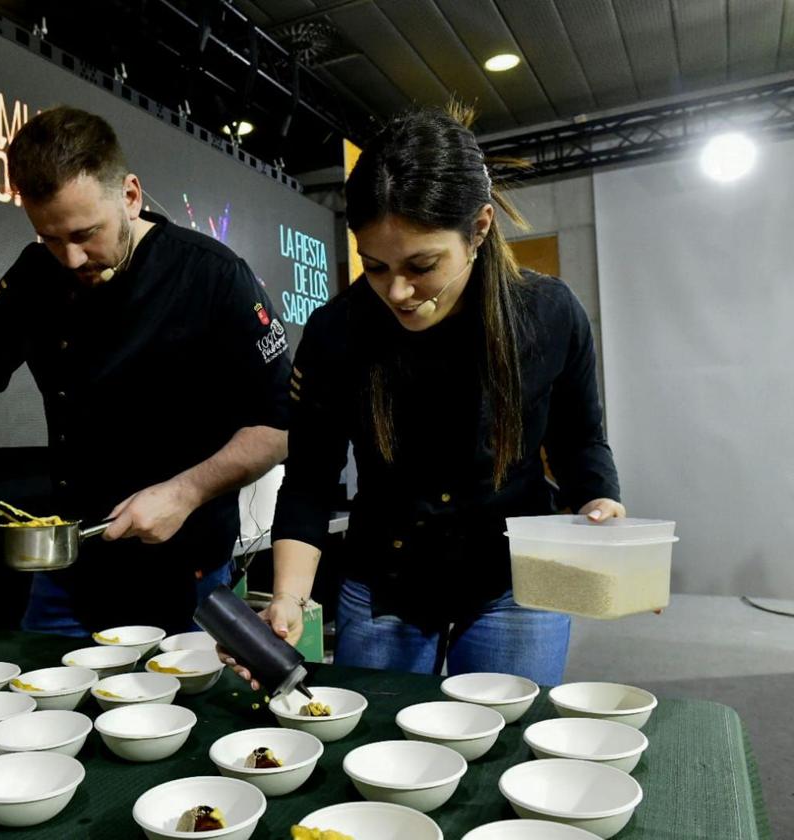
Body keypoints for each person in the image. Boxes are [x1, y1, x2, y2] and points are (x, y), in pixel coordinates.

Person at [228, 105, 622, 688]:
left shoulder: (549, 314)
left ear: (480, 228)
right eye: (375, 266)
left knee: (502, 752)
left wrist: (600, 507)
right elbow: (310, 478)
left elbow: (579, 441)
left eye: (423, 265)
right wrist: (289, 599)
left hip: (516, 581)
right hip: (383, 580)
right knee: (381, 754)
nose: (398, 291)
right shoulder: (338, 332)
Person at [0, 106, 291, 636]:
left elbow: (277, 426)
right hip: (68, 574)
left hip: (187, 575)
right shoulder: (36, 276)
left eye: (86, 233)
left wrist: (184, 493)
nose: (69, 257)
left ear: (130, 196)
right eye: (49, 237)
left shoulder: (212, 276)